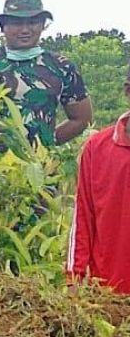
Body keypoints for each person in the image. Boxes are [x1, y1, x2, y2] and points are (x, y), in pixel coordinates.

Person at [0, 0, 92, 151]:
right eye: (17, 23)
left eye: (32, 22)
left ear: (43, 24)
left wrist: (47, 143)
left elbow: (81, 119)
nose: (25, 30)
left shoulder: (61, 66)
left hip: (40, 169)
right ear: (3, 26)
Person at [67, 68, 130, 294]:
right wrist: (74, 277)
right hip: (109, 293)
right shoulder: (98, 148)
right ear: (127, 91)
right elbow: (83, 216)